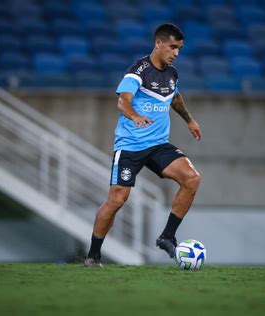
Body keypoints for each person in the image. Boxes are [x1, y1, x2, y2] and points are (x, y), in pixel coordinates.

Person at [84, 23, 202, 267]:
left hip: (158, 145)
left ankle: (167, 236)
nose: (176, 53)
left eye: (179, 48)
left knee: (192, 179)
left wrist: (189, 120)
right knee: (117, 200)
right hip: (130, 146)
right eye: (172, 47)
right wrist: (134, 116)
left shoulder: (172, 73)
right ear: (158, 43)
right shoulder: (137, 71)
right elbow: (123, 102)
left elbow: (175, 97)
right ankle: (93, 255)